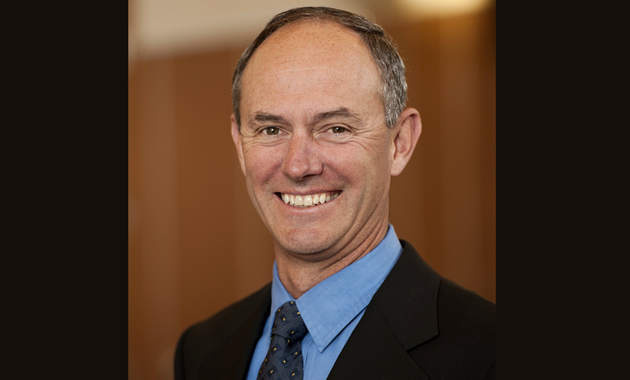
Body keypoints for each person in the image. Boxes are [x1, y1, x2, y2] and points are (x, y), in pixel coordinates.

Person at [174, 6, 494, 380]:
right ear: (239, 143)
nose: (297, 166)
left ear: (400, 143)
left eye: (336, 128)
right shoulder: (201, 352)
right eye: (271, 130)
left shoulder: (488, 355)